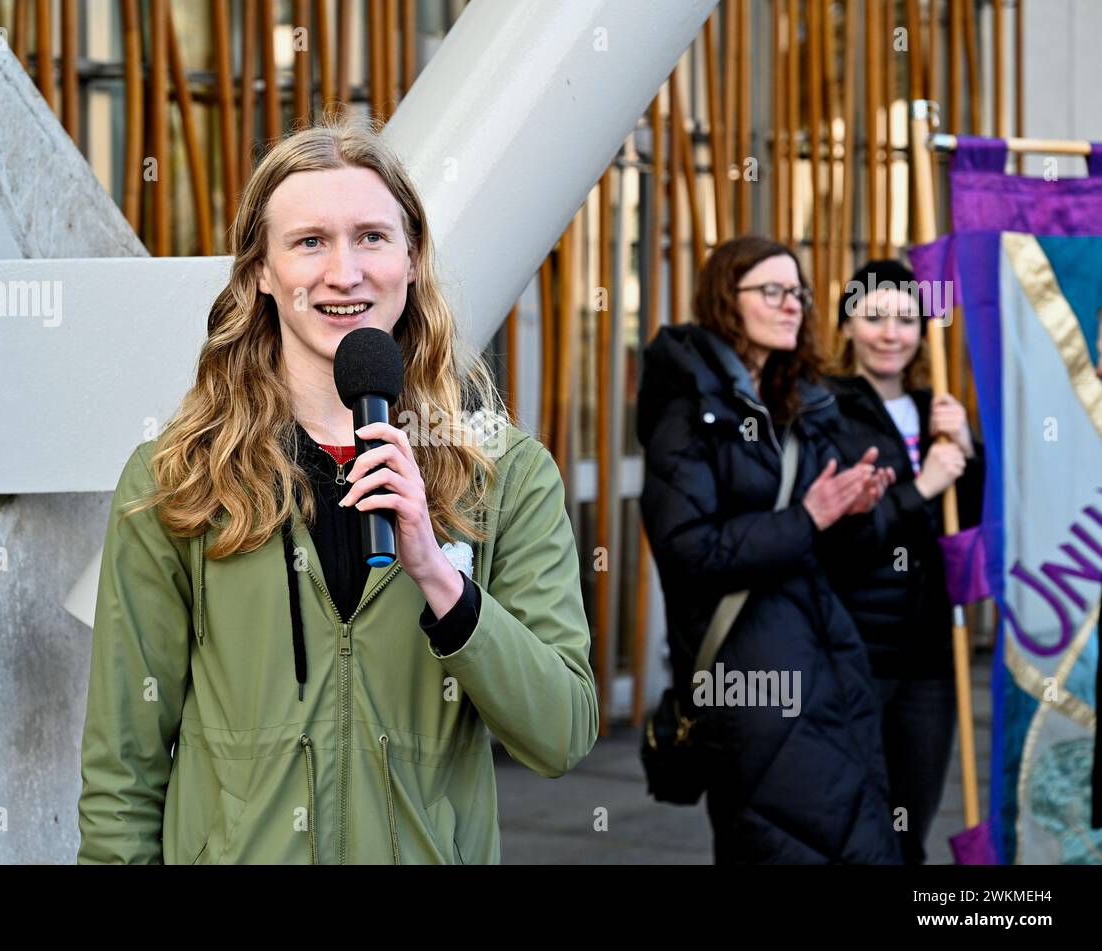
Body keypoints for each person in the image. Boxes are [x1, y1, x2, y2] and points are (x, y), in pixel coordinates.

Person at [77, 120, 597, 865]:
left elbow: (561, 733)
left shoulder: (503, 475)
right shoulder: (182, 477)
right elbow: (123, 762)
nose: (343, 272)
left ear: (412, 259)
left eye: (372, 238)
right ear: (261, 271)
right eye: (310, 241)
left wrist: (440, 578)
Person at [638, 235, 902, 864]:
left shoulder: (797, 401)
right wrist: (809, 517)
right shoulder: (688, 413)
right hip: (752, 682)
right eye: (774, 291)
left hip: (826, 661)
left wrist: (857, 510)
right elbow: (687, 551)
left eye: (799, 293)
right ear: (727, 300)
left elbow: (829, 548)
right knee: (783, 844)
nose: (793, 305)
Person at [826, 259, 984, 864]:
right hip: (855, 648)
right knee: (852, 820)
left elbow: (970, 527)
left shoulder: (935, 409)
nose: (891, 333)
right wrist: (921, 488)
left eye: (905, 318)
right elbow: (837, 535)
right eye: (874, 317)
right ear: (847, 326)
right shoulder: (825, 411)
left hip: (930, 655)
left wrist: (966, 453)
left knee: (909, 826)